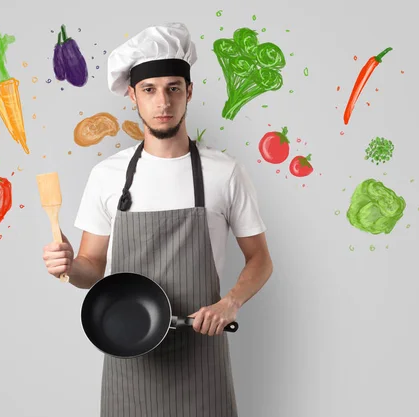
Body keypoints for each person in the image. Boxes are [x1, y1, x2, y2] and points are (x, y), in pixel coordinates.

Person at [42, 22, 274, 417]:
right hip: (128, 357)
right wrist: (65, 267)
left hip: (202, 355)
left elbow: (261, 260)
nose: (162, 102)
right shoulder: (107, 176)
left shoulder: (224, 172)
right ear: (133, 95)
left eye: (173, 88)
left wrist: (230, 303)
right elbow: (91, 270)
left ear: (189, 92)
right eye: (149, 90)